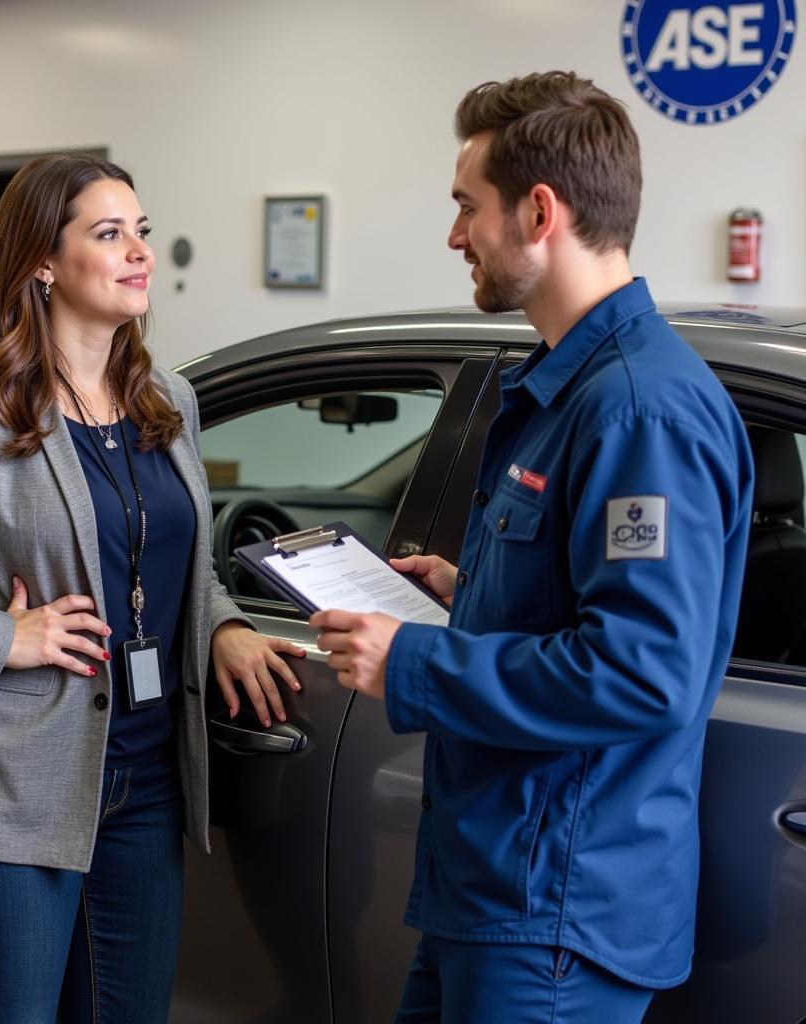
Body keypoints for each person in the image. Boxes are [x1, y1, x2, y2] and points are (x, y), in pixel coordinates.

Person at [0, 153, 304, 1024]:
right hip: (2, 787)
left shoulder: (165, 399)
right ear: (43, 259)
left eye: (140, 232)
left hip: (145, 787)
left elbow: (173, 562)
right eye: (110, 234)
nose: (138, 251)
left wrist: (218, 622)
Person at [311, 71, 754, 1022]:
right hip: (496, 894)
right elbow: (584, 599)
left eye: (467, 207)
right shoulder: (570, 384)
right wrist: (466, 591)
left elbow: (643, 671)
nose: (454, 235)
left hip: (553, 913)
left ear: (539, 211)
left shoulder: (638, 410)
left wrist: (416, 661)